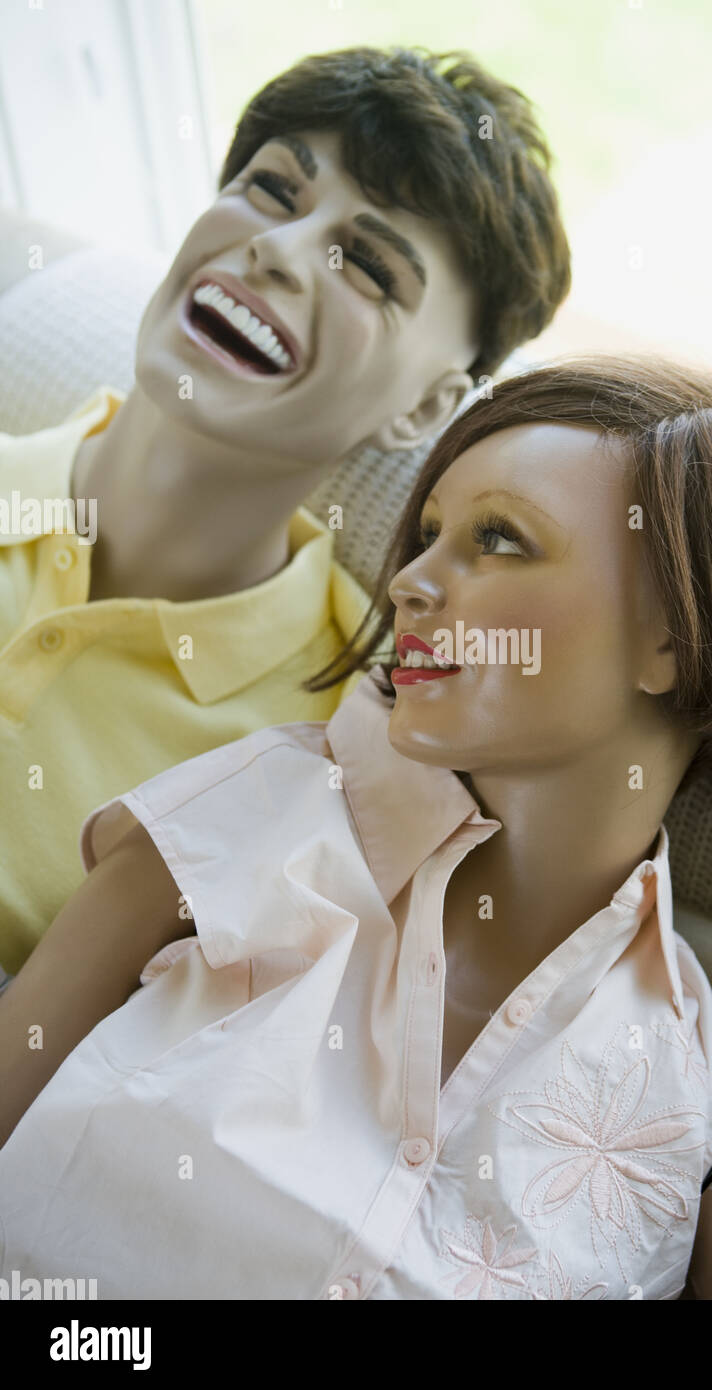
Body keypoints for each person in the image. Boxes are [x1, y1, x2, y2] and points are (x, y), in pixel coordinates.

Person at [0, 356, 712, 1299]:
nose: (412, 579)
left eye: (497, 539)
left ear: (678, 637)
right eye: (427, 534)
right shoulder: (231, 834)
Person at [0, 46, 571, 977]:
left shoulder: (359, 743)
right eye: (273, 190)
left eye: (373, 269)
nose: (281, 249)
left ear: (427, 409)